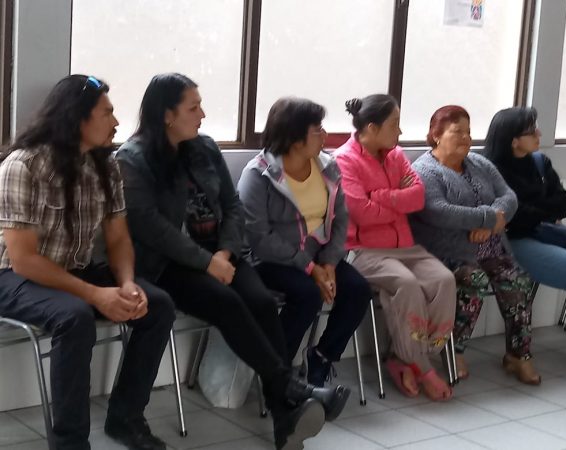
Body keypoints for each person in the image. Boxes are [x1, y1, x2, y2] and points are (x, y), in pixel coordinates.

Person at [116, 74, 348, 450]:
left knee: (261, 303)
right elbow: (153, 229)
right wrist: (208, 263)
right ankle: (290, 394)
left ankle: (285, 414)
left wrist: (224, 253)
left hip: (221, 253)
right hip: (167, 264)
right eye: (193, 107)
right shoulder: (132, 159)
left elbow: (232, 206)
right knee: (227, 303)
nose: (203, 114)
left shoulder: (205, 148)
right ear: (167, 115)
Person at [0, 75, 175, 450]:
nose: (116, 122)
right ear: (77, 117)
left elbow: (118, 238)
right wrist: (95, 295)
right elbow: (23, 259)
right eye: (107, 113)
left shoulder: (106, 166)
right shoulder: (23, 165)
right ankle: (71, 443)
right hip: (13, 276)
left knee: (157, 304)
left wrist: (126, 283)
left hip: (73, 269)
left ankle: (126, 419)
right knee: (75, 317)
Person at [237, 97, 371, 389]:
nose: (325, 135)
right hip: (270, 261)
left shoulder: (327, 167)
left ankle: (321, 358)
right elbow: (259, 238)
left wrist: (330, 262)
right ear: (295, 138)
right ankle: (278, 374)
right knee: (307, 294)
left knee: (358, 289)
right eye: (317, 129)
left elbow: (341, 218)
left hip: (318, 256)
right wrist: (311, 268)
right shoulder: (258, 174)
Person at [334, 94, 455, 401]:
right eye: (394, 124)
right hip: (363, 250)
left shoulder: (396, 155)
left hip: (406, 247)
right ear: (372, 128)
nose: (399, 132)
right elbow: (360, 213)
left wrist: (380, 197)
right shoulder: (344, 160)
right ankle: (422, 367)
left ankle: (408, 358)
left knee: (444, 280)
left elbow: (418, 197)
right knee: (406, 284)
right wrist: (396, 201)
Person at [410, 105, 540, 385]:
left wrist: (490, 223)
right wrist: (488, 218)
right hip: (446, 253)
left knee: (518, 279)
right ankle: (453, 350)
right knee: (474, 280)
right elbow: (437, 211)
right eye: (457, 132)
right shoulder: (424, 170)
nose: (466, 138)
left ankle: (519, 354)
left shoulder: (480, 163)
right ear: (436, 135)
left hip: (492, 248)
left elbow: (509, 196)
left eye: (468, 132)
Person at [483, 106, 566, 372]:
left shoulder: (539, 162)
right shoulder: (492, 170)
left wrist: (533, 212)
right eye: (532, 131)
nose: (539, 134)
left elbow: (562, 204)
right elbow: (512, 217)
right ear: (514, 139)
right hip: (515, 242)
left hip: (553, 234)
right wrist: (542, 212)